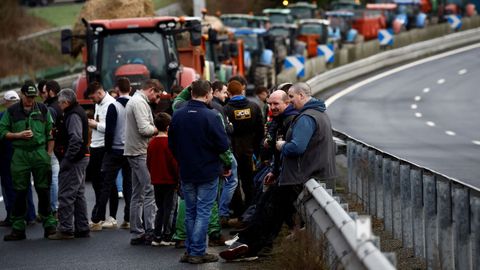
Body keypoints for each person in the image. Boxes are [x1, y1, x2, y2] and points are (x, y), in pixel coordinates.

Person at [219, 82, 337, 260]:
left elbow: (296, 147)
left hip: (300, 175)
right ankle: (249, 244)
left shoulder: (306, 118)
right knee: (270, 210)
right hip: (302, 174)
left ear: (301, 96)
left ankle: (249, 245)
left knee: (269, 210)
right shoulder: (316, 114)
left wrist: (281, 145)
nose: (289, 101)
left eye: (291, 97)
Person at [169, 79, 231, 264]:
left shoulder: (178, 115)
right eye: (211, 93)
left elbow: (172, 144)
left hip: (187, 170)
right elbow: (223, 144)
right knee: (204, 211)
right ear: (207, 95)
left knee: (190, 211)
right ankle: (197, 251)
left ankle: (190, 250)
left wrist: (183, 159)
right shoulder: (211, 116)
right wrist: (225, 163)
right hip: (208, 170)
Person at [0, 82, 57, 241]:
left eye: (33, 97)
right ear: (22, 94)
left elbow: (50, 133)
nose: (30, 100)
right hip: (20, 154)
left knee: (44, 190)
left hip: (40, 153)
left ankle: (49, 225)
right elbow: (2, 132)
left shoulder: (43, 109)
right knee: (19, 192)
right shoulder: (10, 112)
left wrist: (48, 154)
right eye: (28, 96)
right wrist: (18, 135)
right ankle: (18, 228)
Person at [90, 77, 132, 231]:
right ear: (130, 89)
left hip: (114, 150)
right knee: (129, 185)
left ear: (116, 90)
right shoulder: (136, 104)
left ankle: (97, 218)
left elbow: (110, 131)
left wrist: (107, 150)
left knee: (106, 184)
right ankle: (128, 218)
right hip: (131, 149)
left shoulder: (114, 106)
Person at [124, 79, 163, 245]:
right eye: (157, 94)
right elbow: (144, 129)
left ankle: (137, 232)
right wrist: (158, 129)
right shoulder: (139, 103)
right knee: (149, 191)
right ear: (152, 89)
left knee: (137, 194)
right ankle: (149, 231)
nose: (157, 98)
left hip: (133, 151)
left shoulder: (135, 100)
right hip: (139, 152)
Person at [48, 88, 90, 240]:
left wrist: (67, 159)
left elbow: (76, 139)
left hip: (75, 159)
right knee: (78, 194)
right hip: (82, 156)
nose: (58, 106)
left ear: (66, 102)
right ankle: (82, 227)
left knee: (66, 194)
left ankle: (65, 229)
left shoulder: (73, 115)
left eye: (60, 103)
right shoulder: (77, 111)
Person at [224, 80, 264, 217]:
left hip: (232, 151)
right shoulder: (254, 107)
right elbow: (261, 131)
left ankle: (238, 211)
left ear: (228, 93)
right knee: (249, 182)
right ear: (242, 91)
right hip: (250, 151)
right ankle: (250, 211)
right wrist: (256, 150)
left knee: (232, 183)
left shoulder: (226, 110)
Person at [0, 91, 36, 227]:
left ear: (5, 102)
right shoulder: (27, 115)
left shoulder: (3, 116)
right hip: (25, 156)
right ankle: (30, 215)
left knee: (9, 188)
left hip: (7, 158)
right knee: (26, 186)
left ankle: (13, 217)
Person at [85, 81, 116, 228]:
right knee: (96, 182)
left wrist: (94, 125)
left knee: (108, 182)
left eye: (93, 97)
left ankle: (112, 216)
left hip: (105, 146)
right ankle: (100, 215)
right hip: (95, 145)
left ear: (99, 92)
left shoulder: (111, 104)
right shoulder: (98, 103)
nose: (92, 100)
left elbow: (111, 127)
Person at [147, 112, 178, 246]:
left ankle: (156, 236)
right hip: (170, 180)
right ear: (168, 127)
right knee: (169, 208)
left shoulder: (152, 143)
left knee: (160, 208)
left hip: (156, 180)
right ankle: (167, 236)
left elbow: (148, 162)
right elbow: (174, 164)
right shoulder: (170, 143)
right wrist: (178, 179)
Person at [43, 80, 63, 215]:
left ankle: (54, 207)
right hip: (63, 146)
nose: (42, 95)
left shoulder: (50, 109)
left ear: (51, 92)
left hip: (54, 147)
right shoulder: (62, 104)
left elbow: (49, 130)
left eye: (44, 92)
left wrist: (49, 150)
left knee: (53, 178)